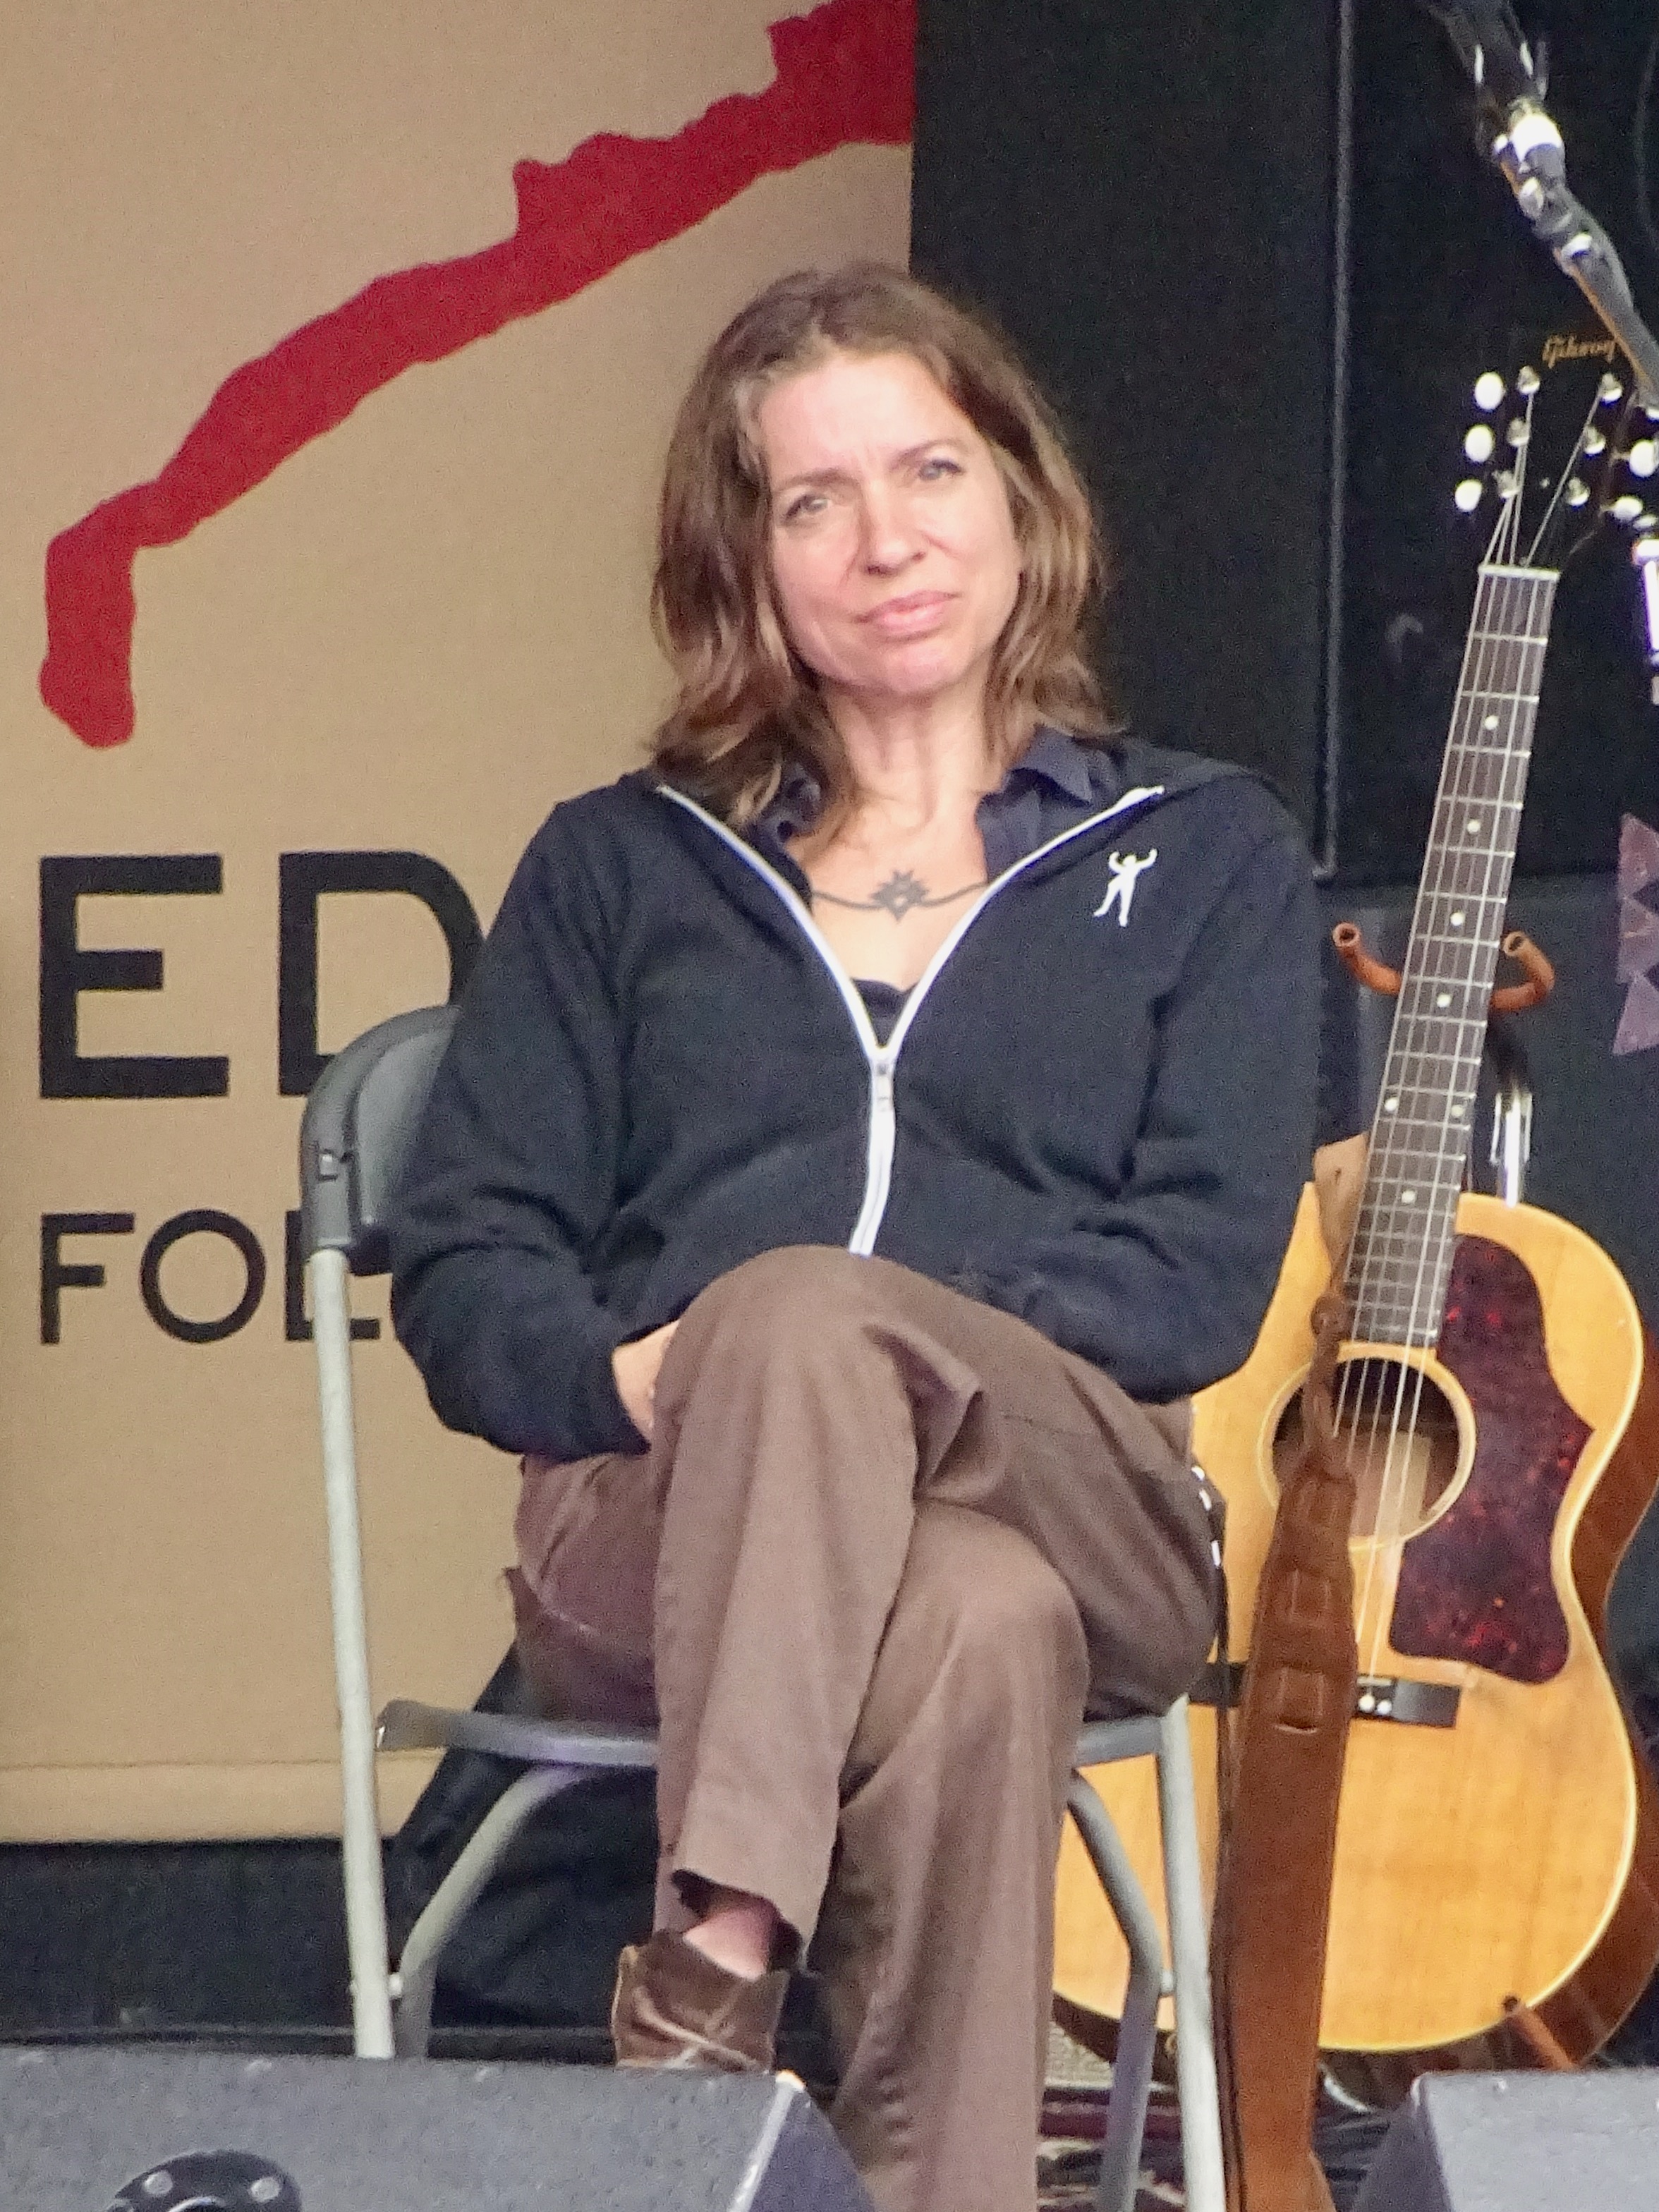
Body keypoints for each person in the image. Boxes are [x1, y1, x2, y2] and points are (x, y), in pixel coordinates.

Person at [389, 262, 1318, 2212]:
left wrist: (852, 1348)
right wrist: (638, 1376)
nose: (887, 540)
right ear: (746, 565)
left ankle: (712, 1971)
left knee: (811, 1323)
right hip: (657, 1529)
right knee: (974, 1621)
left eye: (930, 471)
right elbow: (469, 1266)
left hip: (1081, 1491)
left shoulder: (1204, 851)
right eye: (815, 501)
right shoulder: (621, 867)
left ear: (1020, 500)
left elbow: (1195, 1279)